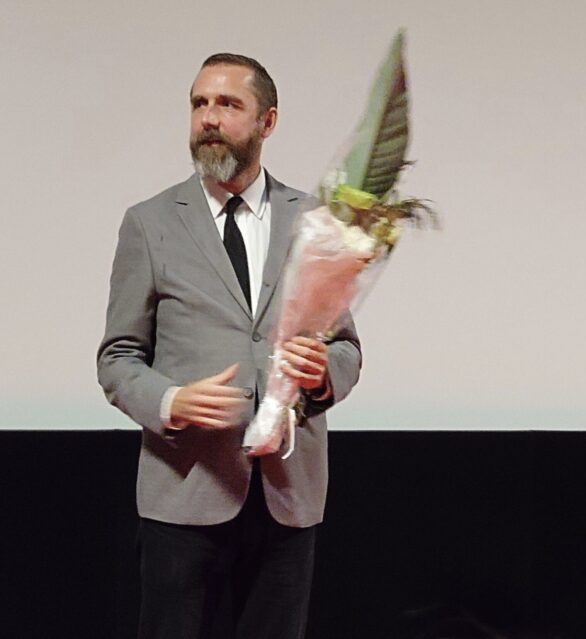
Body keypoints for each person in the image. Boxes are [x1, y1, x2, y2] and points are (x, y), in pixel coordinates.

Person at [97, 53, 361, 638]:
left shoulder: (315, 221)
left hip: (287, 495)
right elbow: (117, 357)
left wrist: (322, 373)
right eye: (199, 104)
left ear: (267, 121)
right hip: (185, 493)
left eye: (227, 104)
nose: (209, 118)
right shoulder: (150, 223)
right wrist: (170, 401)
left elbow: (346, 350)